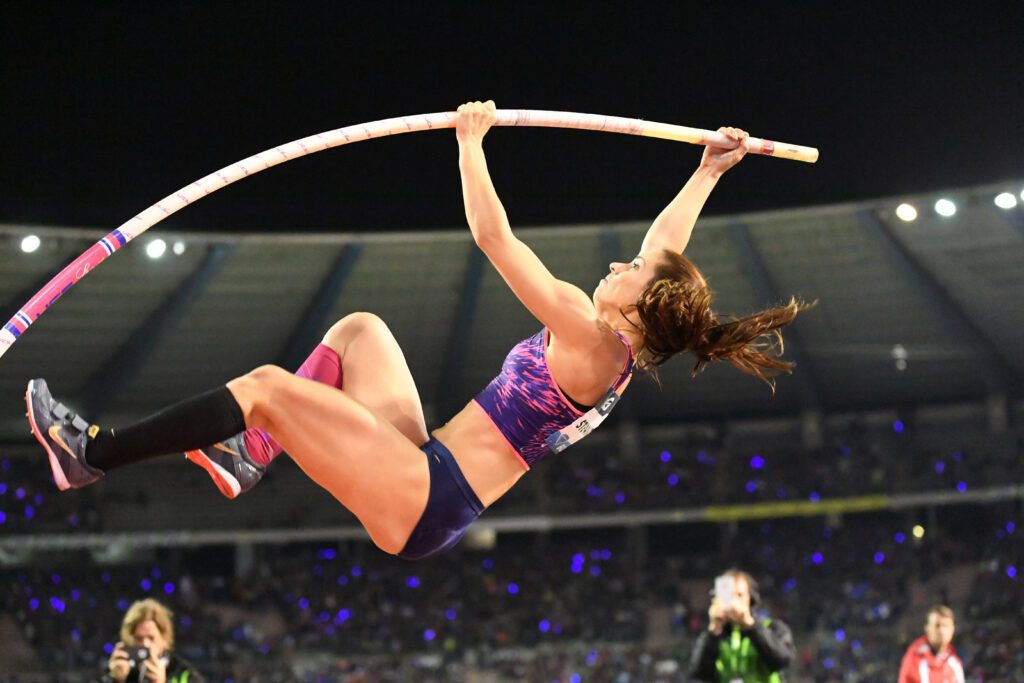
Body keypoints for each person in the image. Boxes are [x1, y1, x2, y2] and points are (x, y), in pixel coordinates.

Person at [27, 100, 812, 560]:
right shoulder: (612, 340)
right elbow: (664, 245)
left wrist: (471, 142)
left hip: (428, 495)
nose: (622, 261)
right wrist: (707, 170)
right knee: (360, 330)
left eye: (634, 269)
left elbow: (494, 238)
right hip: (428, 463)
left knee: (265, 386)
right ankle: (247, 453)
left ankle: (91, 453)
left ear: (648, 305)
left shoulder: (591, 337)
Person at [689, 569, 795, 682]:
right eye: (728, 596)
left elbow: (782, 661)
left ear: (750, 598)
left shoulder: (771, 627)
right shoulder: (713, 637)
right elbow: (699, 674)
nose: (734, 602)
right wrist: (714, 631)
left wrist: (751, 626)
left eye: (739, 595)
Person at [104, 598, 203, 683]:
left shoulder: (184, 674)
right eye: (138, 638)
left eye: (151, 638)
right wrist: (116, 681)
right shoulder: (119, 671)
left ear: (164, 639)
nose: (145, 644)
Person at [897, 605, 965, 683]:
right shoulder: (915, 659)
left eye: (945, 625)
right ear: (927, 628)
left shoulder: (954, 663)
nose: (941, 631)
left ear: (952, 629)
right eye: (937, 625)